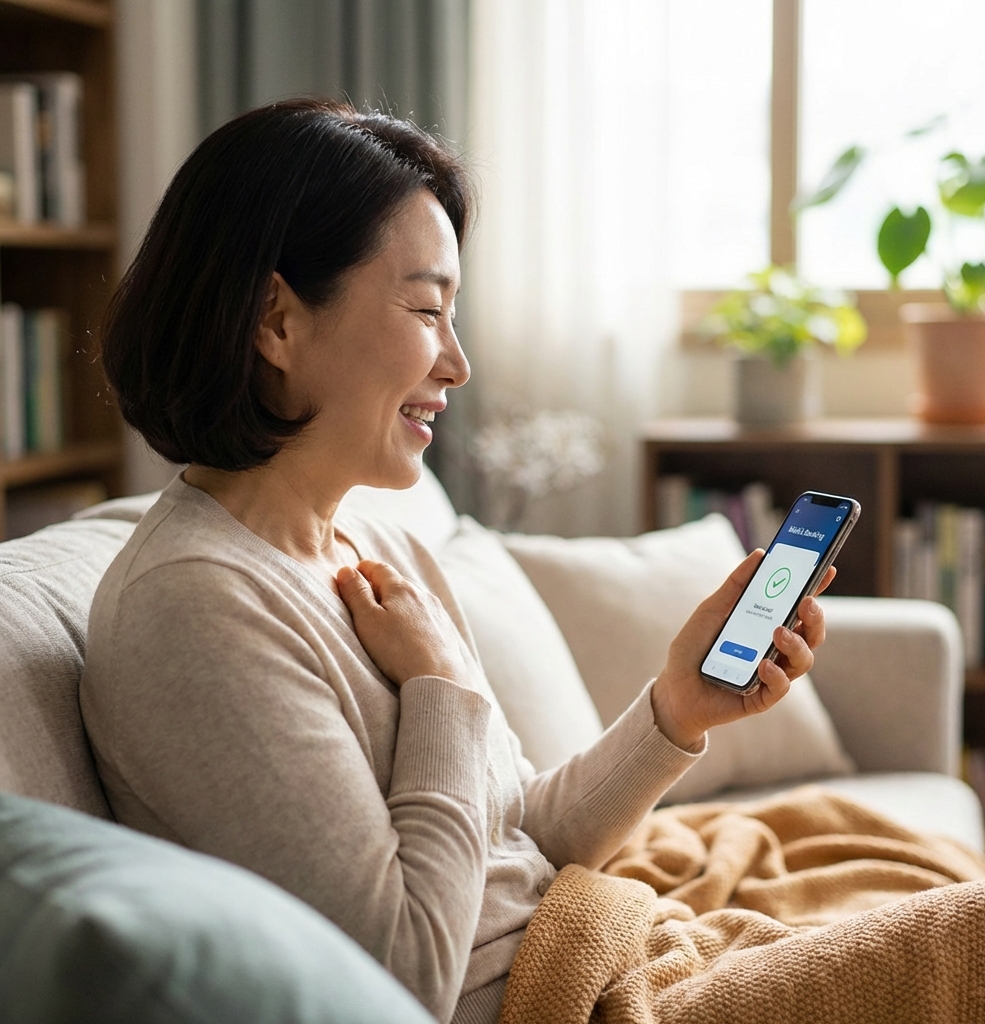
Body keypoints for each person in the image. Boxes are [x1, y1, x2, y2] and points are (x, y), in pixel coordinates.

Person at [80, 99, 832, 1024]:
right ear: (275, 321)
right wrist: (439, 685)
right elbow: (399, 978)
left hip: (594, 951)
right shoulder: (195, 609)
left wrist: (676, 708)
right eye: (427, 310)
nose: (457, 364)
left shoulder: (379, 547)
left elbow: (523, 839)